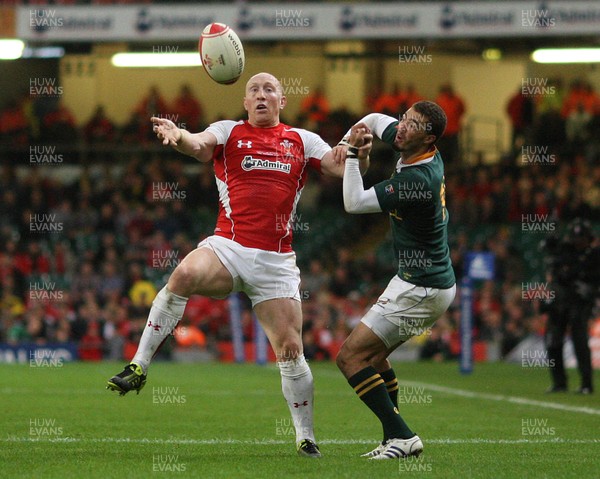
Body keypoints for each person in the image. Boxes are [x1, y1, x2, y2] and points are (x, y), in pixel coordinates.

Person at [106, 72, 370, 458]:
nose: (261, 95)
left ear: (282, 100)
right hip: (229, 247)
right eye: (253, 91)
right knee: (184, 273)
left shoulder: (301, 140)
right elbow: (197, 145)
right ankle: (139, 365)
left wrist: (358, 149)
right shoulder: (228, 132)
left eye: (269, 90)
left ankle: (305, 436)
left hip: (276, 262)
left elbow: (337, 164)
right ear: (245, 102)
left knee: (291, 350)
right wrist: (177, 134)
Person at [334, 101, 456, 459]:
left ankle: (402, 436)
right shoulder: (413, 142)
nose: (401, 127)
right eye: (403, 118)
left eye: (412, 124)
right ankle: (394, 437)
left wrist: (354, 154)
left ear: (428, 137)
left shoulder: (417, 180)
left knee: (350, 358)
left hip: (423, 286)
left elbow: (354, 203)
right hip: (419, 281)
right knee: (372, 357)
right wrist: (347, 139)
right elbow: (372, 119)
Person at [541, 218, 599, 395]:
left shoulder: (595, 255)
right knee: (553, 340)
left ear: (588, 238)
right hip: (561, 300)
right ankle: (559, 382)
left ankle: (586, 384)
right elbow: (547, 249)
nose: (577, 242)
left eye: (581, 238)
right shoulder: (565, 250)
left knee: (580, 340)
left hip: (580, 302)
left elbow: (594, 281)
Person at [435, 83, 465, 165]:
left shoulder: (458, 100)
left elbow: (462, 110)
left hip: (453, 131)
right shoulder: (440, 100)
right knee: (443, 152)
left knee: (454, 152)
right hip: (443, 132)